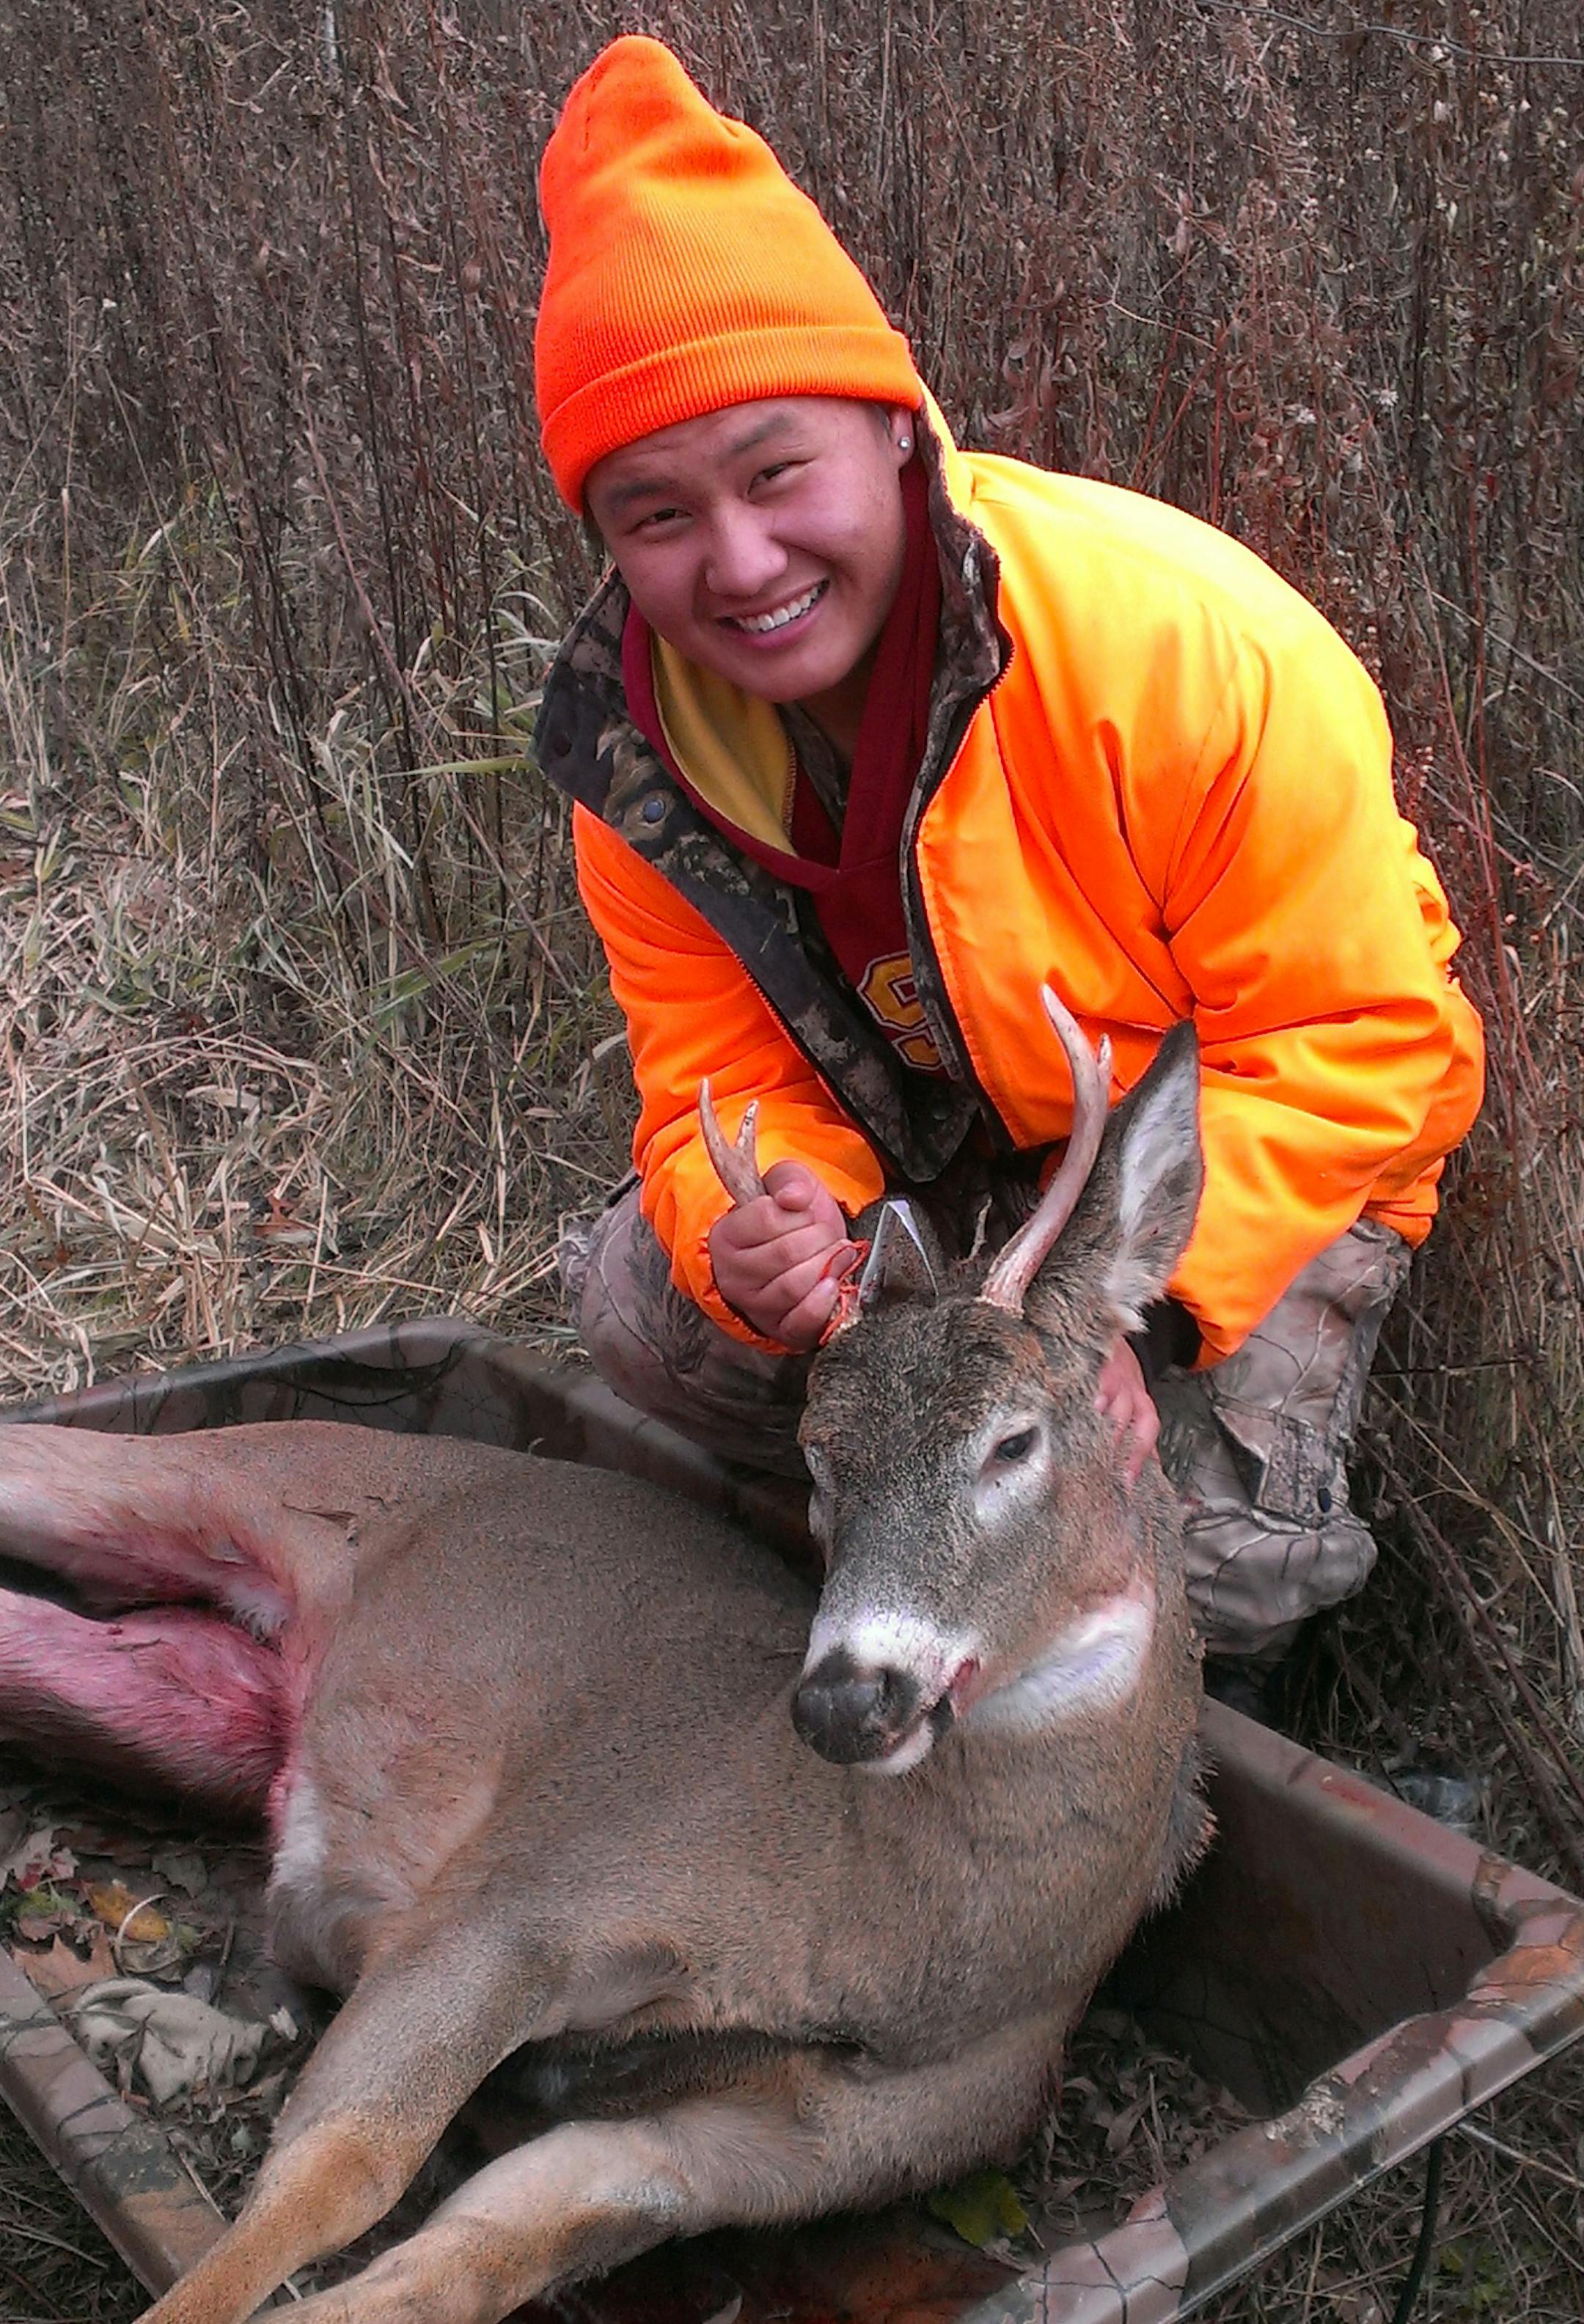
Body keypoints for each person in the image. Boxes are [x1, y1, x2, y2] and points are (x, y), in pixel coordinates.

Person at [530, 35, 1485, 1678]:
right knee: (647, 1302)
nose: (741, 561)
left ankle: (1059, 1620)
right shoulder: (638, 763)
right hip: (950, 1166)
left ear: (897, 433)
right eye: (659, 515)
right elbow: (717, 1068)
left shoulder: (1169, 650)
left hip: (1218, 1170)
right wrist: (767, 1220)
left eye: (777, 473)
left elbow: (1368, 1041)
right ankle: (908, 1552)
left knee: (1199, 1557)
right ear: (610, 539)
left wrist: (1144, 1313)